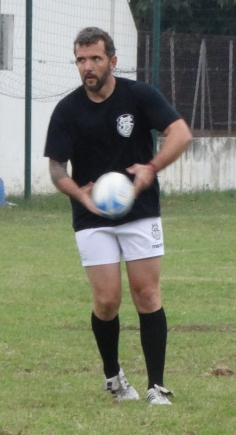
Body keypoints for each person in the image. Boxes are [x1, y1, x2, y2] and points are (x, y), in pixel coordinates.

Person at [44, 27, 192, 404]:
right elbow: (57, 168)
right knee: (107, 300)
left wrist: (151, 167)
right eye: (81, 60)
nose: (87, 67)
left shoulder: (139, 96)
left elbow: (180, 133)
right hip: (92, 216)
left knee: (147, 293)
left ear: (112, 60)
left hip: (140, 211)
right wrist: (79, 192)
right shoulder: (67, 110)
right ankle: (113, 376)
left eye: (95, 58)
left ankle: (156, 385)